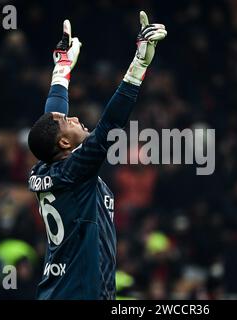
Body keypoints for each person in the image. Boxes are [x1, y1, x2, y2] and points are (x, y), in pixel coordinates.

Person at [26, 12, 167, 299]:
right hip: (83, 293)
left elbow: (50, 123)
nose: (74, 117)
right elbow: (110, 124)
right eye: (68, 121)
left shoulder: (46, 167)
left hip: (58, 292)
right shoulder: (77, 169)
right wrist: (139, 65)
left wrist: (61, 71)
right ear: (64, 142)